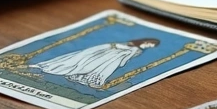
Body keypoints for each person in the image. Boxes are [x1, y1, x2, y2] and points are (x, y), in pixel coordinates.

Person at [30, 38, 160, 89]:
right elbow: (110, 46)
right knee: (86, 64)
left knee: (102, 70)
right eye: (150, 44)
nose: (149, 46)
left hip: (113, 60)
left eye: (151, 46)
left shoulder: (138, 50)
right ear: (147, 41)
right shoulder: (129, 45)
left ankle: (83, 78)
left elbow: (126, 57)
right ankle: (74, 73)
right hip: (107, 56)